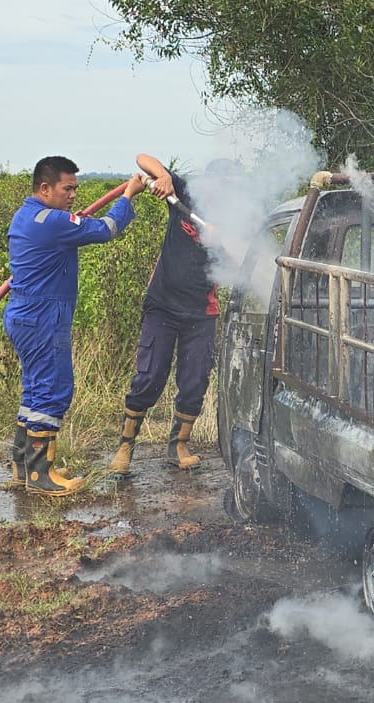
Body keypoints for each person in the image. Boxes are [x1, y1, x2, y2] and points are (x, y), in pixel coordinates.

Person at [7, 156, 146, 496]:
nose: (73, 195)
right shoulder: (52, 222)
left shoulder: (29, 215)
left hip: (26, 314)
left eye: (75, 189)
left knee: (35, 390)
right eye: (67, 188)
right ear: (45, 188)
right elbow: (106, 229)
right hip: (42, 317)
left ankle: (23, 466)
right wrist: (128, 196)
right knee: (53, 389)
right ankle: (41, 476)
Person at [107, 154, 240, 474]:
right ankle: (125, 447)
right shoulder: (185, 192)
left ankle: (178, 445)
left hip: (202, 311)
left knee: (195, 380)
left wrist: (229, 244)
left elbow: (242, 261)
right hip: (163, 304)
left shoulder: (238, 218)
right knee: (149, 377)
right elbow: (142, 158)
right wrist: (163, 177)